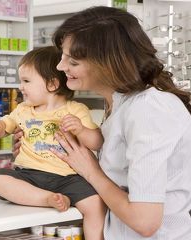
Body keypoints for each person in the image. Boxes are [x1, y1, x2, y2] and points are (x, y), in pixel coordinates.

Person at [39, 6, 191, 240]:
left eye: (73, 61)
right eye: (62, 57)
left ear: (107, 63)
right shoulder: (119, 105)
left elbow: (145, 221)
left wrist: (90, 170)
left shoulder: (148, 110)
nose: (60, 67)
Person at [0, 46, 106, 240]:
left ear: (52, 84)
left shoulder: (76, 110)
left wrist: (81, 130)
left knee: (96, 204)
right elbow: (6, 124)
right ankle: (47, 199)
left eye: (26, 81)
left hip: (69, 177)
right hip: (29, 175)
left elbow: (97, 142)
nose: (20, 87)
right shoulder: (23, 109)